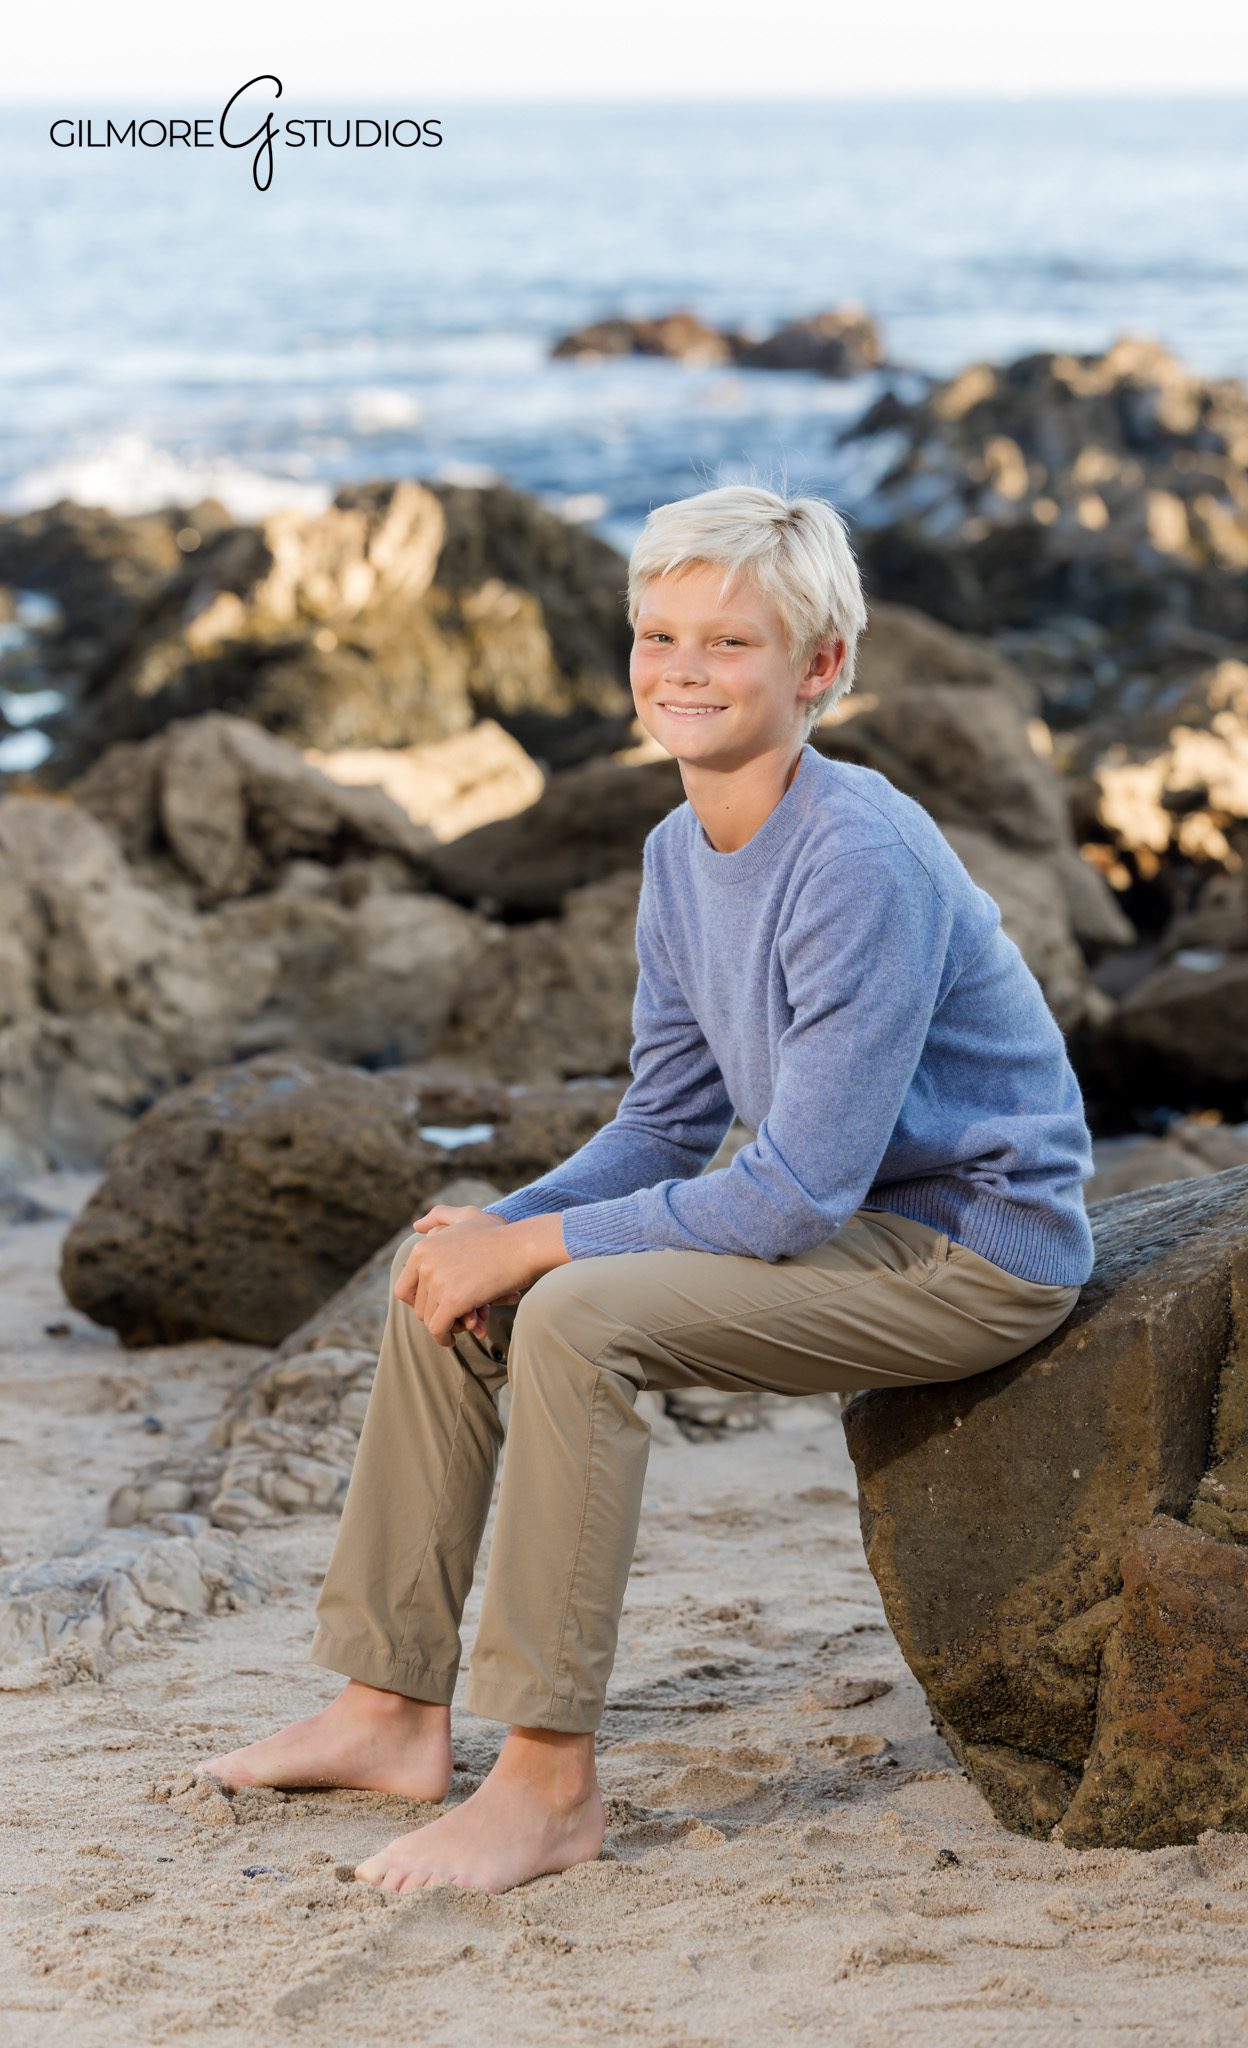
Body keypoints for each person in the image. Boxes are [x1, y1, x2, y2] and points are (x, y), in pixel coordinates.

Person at [201, 482, 1095, 1894]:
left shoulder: (855, 856)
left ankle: (547, 1786)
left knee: (572, 1315)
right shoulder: (677, 852)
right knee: (451, 1260)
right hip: (850, 1224)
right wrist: (500, 1230)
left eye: (729, 643)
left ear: (818, 669)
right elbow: (667, 1121)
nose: (682, 667)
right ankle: (387, 1708)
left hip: (968, 1253)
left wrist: (543, 1252)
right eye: (658, 633)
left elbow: (795, 1189)